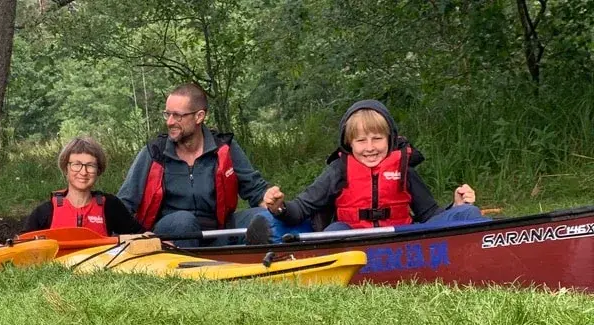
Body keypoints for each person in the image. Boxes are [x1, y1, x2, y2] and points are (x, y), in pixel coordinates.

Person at [270, 99, 485, 232]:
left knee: (468, 212)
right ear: (349, 143)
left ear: (390, 139)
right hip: (352, 239)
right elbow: (301, 208)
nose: (370, 148)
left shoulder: (404, 169)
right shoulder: (338, 170)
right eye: (361, 141)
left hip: (399, 237)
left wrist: (456, 207)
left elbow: (429, 215)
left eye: (377, 139)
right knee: (333, 230)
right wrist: (279, 207)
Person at [117, 83, 285, 247]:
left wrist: (271, 201)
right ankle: (186, 269)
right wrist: (134, 236)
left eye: (177, 116)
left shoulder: (224, 148)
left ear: (199, 116)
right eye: (167, 114)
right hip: (170, 231)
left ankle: (261, 264)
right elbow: (123, 205)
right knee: (184, 220)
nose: (169, 122)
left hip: (217, 231)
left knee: (262, 217)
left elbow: (256, 192)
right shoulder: (154, 152)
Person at [23, 136, 143, 237]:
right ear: (66, 168)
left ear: (98, 170)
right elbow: (21, 244)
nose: (83, 172)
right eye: (77, 165)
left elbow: (139, 235)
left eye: (90, 165)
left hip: (98, 264)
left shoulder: (110, 205)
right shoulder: (46, 211)